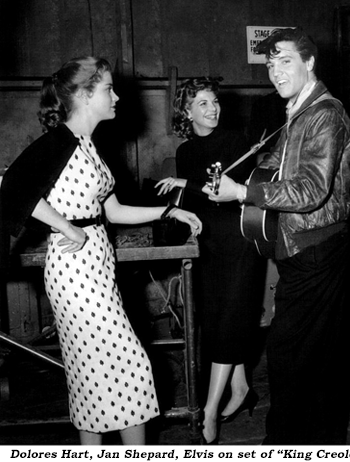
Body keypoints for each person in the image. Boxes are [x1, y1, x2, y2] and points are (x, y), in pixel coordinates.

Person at [0, 57, 202, 445]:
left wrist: (170, 209)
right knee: (133, 365)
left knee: (92, 375)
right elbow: (13, 190)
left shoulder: (87, 145)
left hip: (97, 264)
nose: (117, 95)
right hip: (74, 270)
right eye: (109, 88)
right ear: (86, 94)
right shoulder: (58, 141)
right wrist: (65, 226)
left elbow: (114, 211)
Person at [203, 27, 350, 444]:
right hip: (298, 250)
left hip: (317, 250)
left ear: (309, 63)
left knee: (291, 358)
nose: (275, 70)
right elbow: (277, 163)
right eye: (270, 63)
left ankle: (287, 446)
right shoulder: (298, 112)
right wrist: (235, 183)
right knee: (310, 362)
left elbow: (310, 190)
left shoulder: (325, 114)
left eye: (285, 60)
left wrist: (244, 191)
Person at [155, 77, 265, 444]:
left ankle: (210, 411)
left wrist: (185, 184)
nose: (212, 108)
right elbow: (197, 202)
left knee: (230, 320)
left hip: (238, 242)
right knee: (218, 320)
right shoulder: (185, 152)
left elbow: (223, 190)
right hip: (208, 246)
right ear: (186, 112)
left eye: (214, 101)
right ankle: (242, 388)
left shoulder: (237, 141)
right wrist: (177, 202)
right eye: (202, 103)